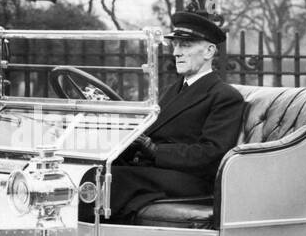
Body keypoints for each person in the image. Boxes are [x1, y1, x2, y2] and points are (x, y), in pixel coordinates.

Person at [105, 11, 245, 223]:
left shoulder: (224, 96)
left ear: (209, 51)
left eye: (185, 45)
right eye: (175, 45)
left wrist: (155, 150)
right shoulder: (174, 89)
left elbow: (212, 153)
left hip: (191, 181)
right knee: (97, 171)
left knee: (114, 180)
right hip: (159, 171)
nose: (176, 53)